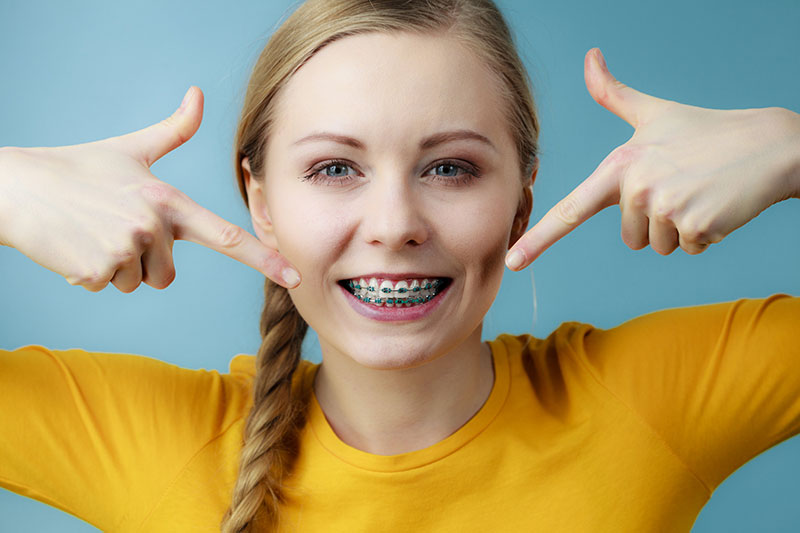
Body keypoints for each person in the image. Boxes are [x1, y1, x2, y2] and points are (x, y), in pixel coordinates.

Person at [1, 0, 798, 531]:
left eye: (450, 168)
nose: (395, 226)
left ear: (523, 198)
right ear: (261, 201)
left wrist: (788, 144)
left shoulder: (650, 403)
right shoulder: (158, 444)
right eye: (333, 169)